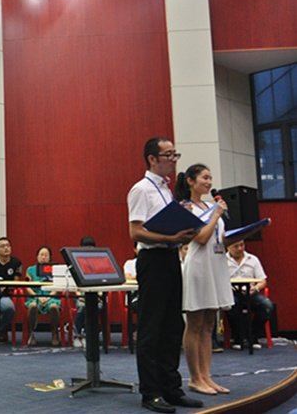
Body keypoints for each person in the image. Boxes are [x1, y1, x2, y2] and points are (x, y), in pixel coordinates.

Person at [127, 137, 201, 413]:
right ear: (152, 159)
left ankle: (172, 389)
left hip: (170, 258)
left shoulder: (166, 190)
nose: (173, 159)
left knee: (173, 326)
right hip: (153, 260)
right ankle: (151, 392)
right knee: (151, 329)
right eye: (168, 154)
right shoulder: (141, 189)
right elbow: (136, 232)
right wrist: (171, 236)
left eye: (175, 154)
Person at [174, 164, 233, 395]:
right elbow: (200, 238)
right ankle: (195, 378)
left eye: (210, 178)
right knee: (195, 323)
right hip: (198, 267)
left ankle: (207, 376)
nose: (209, 182)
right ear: (191, 181)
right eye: (204, 178)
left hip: (216, 265)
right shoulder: (187, 208)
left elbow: (219, 238)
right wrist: (216, 215)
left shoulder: (210, 206)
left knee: (209, 324)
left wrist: (240, 235)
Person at [226, 240, 273, 350]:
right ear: (228, 247)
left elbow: (263, 280)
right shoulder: (222, 261)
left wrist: (255, 288)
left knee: (267, 305)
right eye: (236, 246)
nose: (240, 248)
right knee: (230, 304)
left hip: (250, 293)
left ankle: (252, 334)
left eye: (242, 245)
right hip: (231, 293)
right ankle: (238, 337)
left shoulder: (253, 259)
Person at [24, 246, 61, 346]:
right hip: (35, 297)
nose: (43, 257)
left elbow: (57, 287)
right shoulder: (30, 270)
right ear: (37, 257)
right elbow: (27, 286)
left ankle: (55, 333)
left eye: (46, 255)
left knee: (54, 307)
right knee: (33, 306)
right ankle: (30, 333)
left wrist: (48, 298)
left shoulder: (54, 270)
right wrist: (38, 298)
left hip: (50, 297)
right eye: (41, 255)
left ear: (50, 258)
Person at [72, 236, 97, 348]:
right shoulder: (76, 264)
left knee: (94, 307)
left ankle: (87, 336)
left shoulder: (98, 264)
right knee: (82, 307)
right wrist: (79, 296)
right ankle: (77, 335)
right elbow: (74, 284)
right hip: (81, 297)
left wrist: (99, 296)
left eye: (91, 248)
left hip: (96, 297)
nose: (89, 250)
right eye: (86, 248)